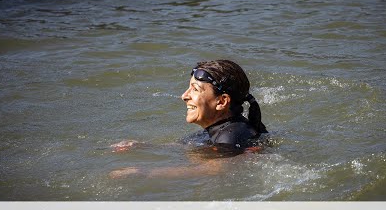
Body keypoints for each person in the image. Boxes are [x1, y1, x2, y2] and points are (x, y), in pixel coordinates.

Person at [109, 59, 268, 179]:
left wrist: (146, 172)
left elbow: (214, 169)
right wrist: (143, 146)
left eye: (195, 90)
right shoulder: (218, 128)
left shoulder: (232, 135)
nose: (184, 96)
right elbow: (187, 145)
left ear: (221, 101)